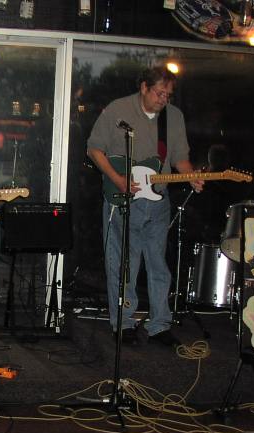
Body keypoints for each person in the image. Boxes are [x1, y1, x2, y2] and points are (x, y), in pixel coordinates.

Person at [87, 66, 202, 349]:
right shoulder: (118, 110)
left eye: (168, 95)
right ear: (144, 87)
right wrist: (117, 179)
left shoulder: (174, 117)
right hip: (123, 199)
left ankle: (159, 324)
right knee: (124, 265)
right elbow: (94, 149)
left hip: (158, 201)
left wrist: (192, 176)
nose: (164, 100)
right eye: (159, 93)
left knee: (158, 264)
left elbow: (180, 158)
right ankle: (123, 323)